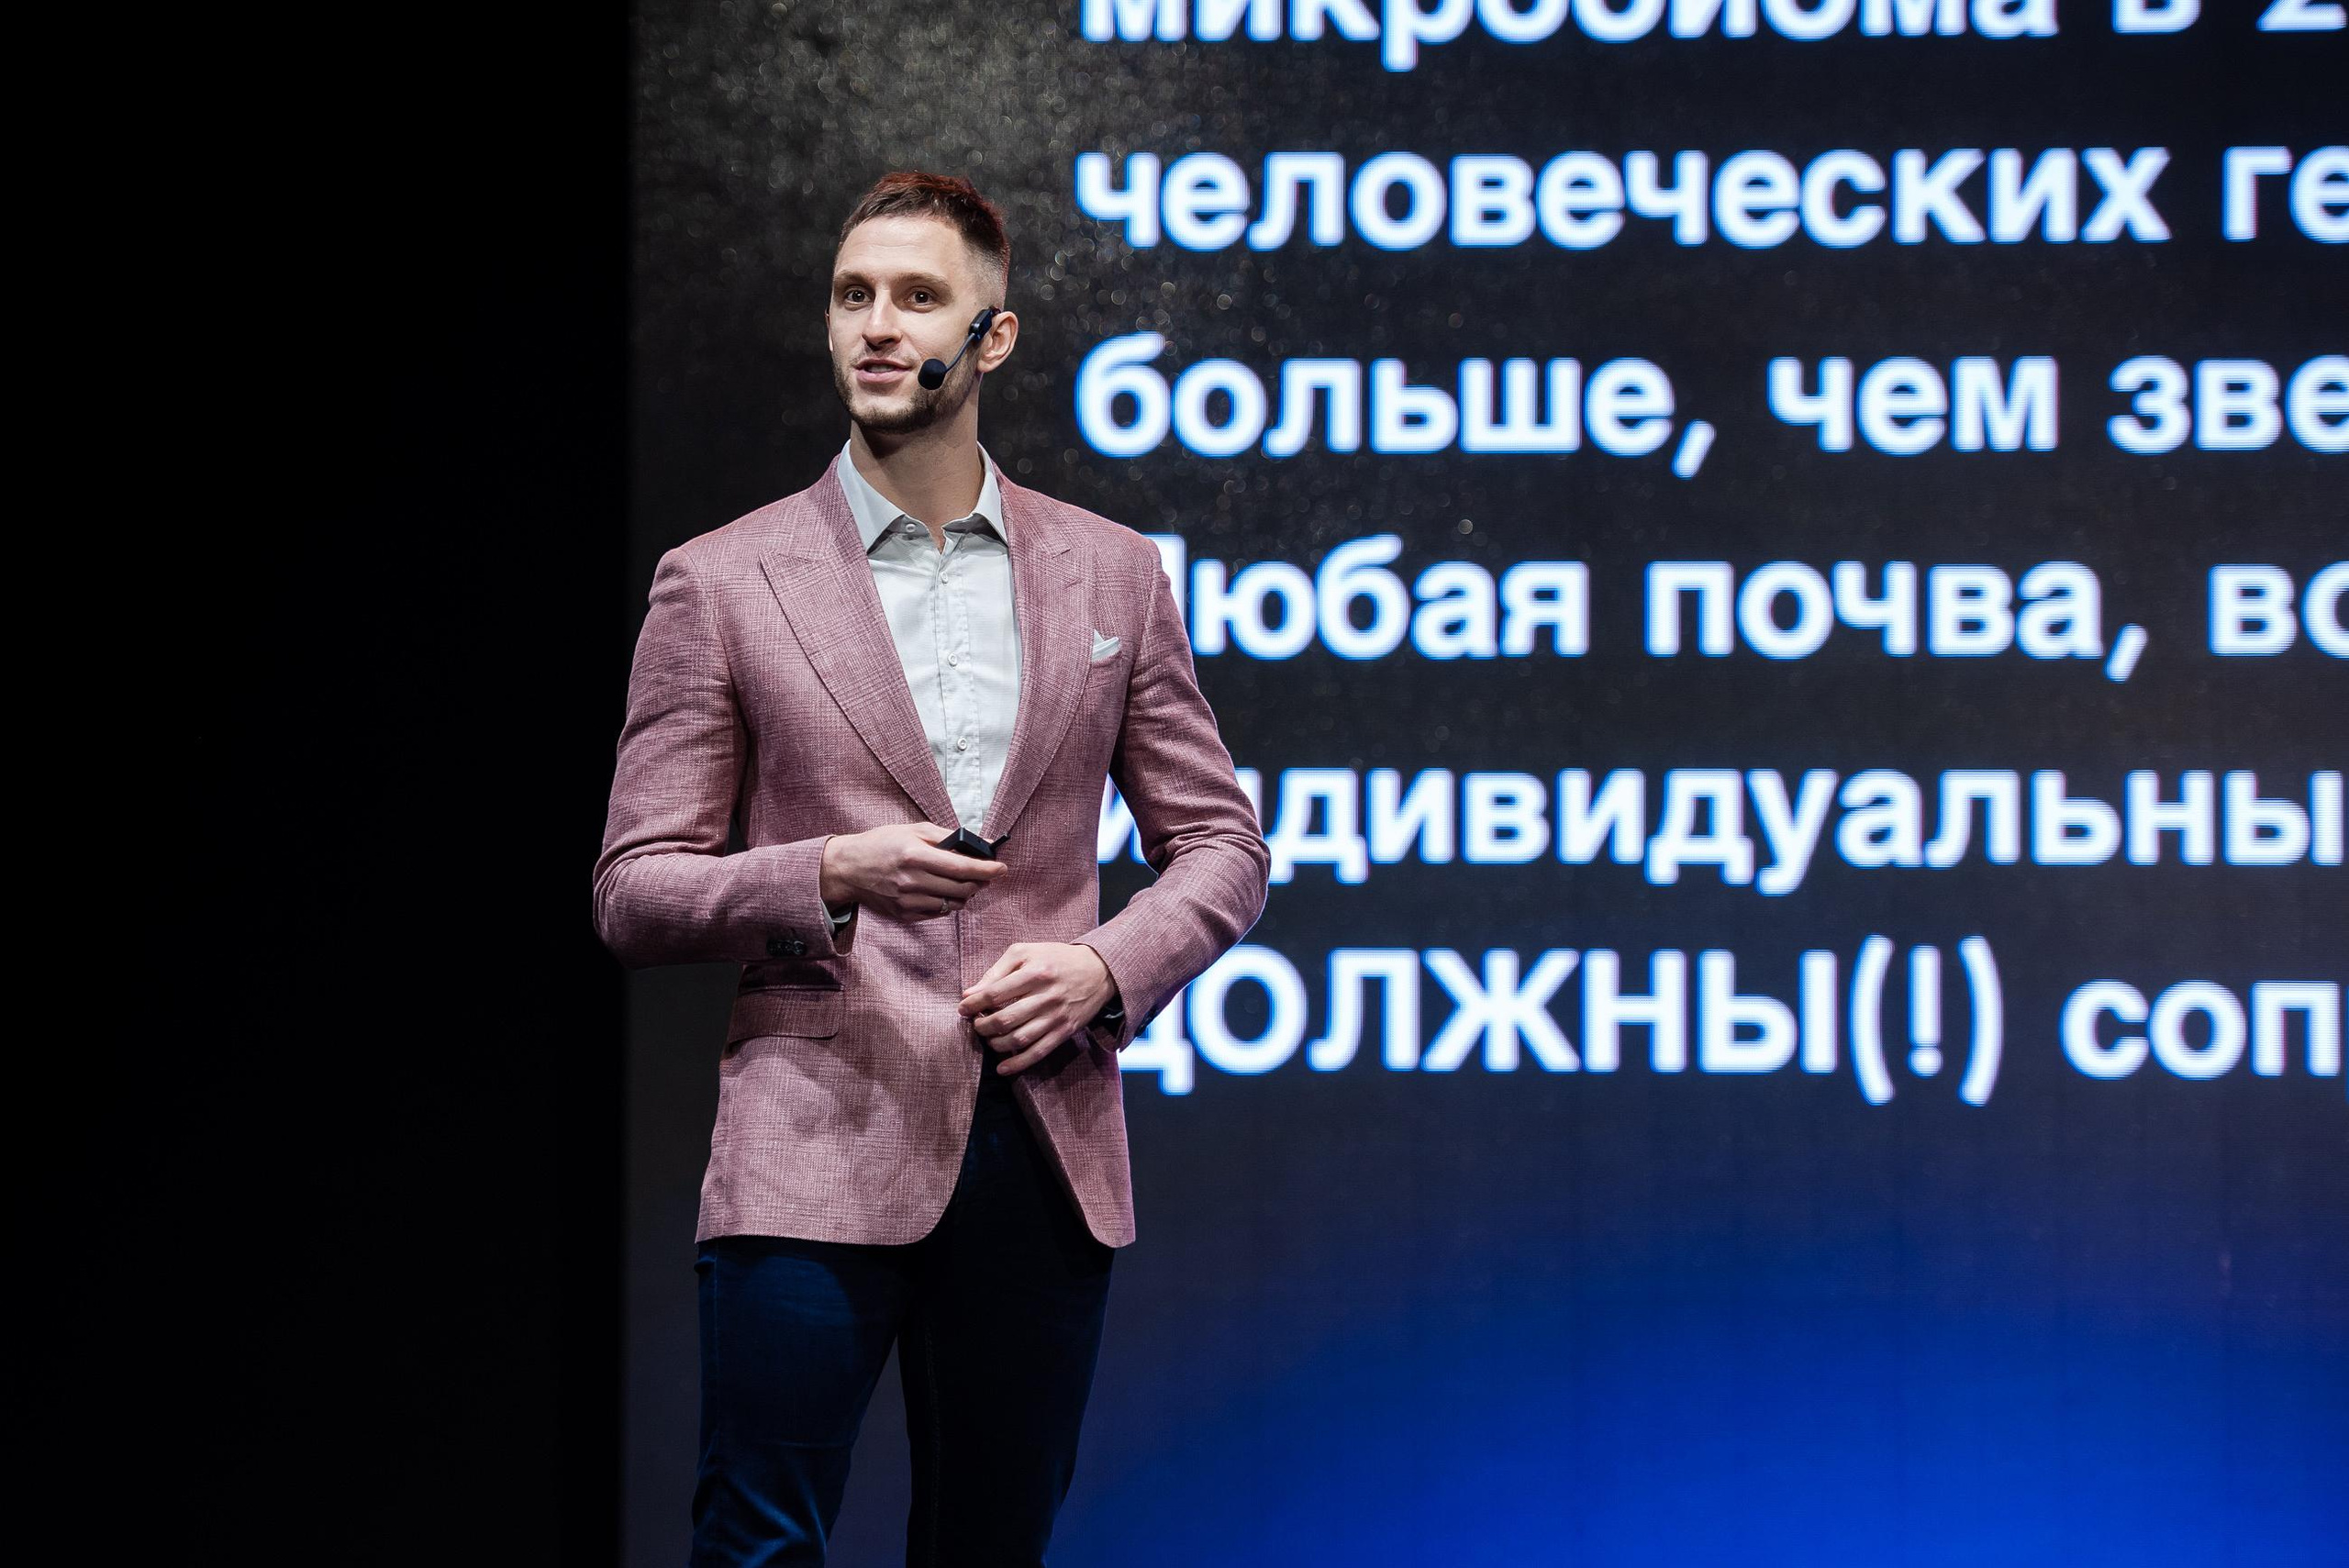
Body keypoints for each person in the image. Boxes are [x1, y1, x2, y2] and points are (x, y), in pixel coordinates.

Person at [593, 171, 1270, 1567]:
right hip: (813, 1135)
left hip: (1038, 1142)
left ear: (995, 337)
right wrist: (826, 866)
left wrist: (1105, 963)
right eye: (854, 296)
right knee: (757, 1542)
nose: (879, 328)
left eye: (917, 298)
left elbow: (1220, 845)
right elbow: (636, 886)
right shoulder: (722, 579)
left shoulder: (1113, 572)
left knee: (992, 1541)